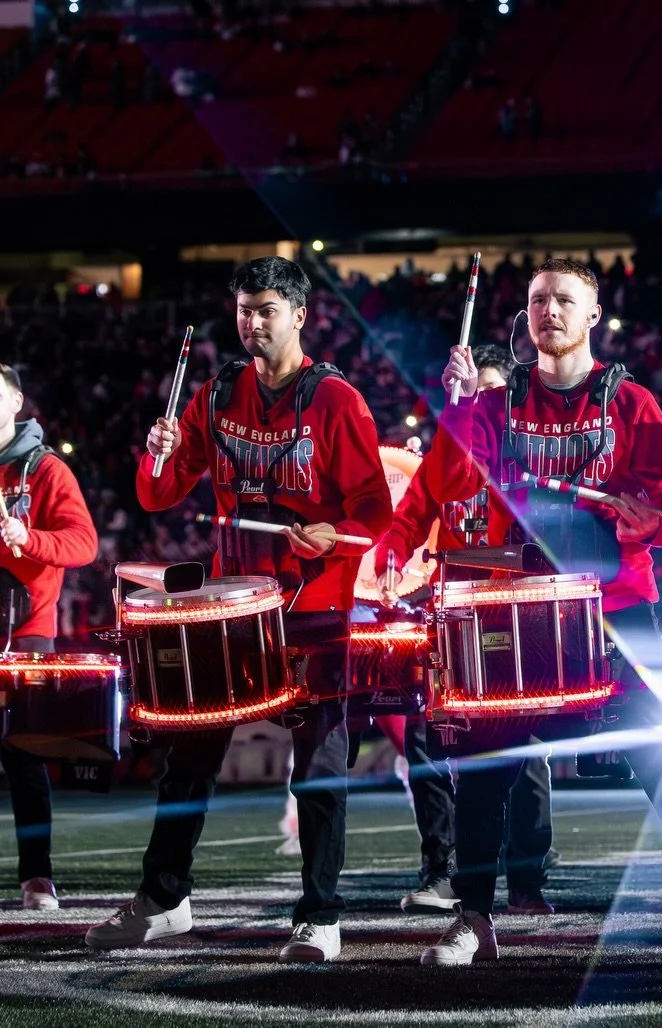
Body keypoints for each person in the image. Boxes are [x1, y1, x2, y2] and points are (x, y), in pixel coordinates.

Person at [393, 257, 662, 966]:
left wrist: (634, 519)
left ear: (593, 315)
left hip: (614, 611)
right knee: (486, 764)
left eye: (564, 300)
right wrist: (460, 412)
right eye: (537, 301)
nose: (548, 311)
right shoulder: (494, 407)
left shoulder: (631, 403)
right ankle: (473, 917)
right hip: (516, 610)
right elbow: (448, 486)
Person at [84, 257, 391, 963]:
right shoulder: (216, 393)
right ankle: (164, 900)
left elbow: (376, 510)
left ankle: (320, 915)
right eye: (245, 310)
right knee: (188, 752)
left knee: (318, 765)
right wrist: (157, 454)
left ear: (299, 315)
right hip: (233, 608)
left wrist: (332, 536)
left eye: (267, 311)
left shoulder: (337, 401)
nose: (253, 323)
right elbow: (159, 495)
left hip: (315, 606)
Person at [375, 345, 558, 915]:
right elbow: (411, 516)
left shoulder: (524, 456)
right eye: (473, 395)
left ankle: (526, 880)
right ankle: (442, 871)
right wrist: (391, 553)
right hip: (452, 613)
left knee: (523, 751)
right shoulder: (446, 455)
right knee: (432, 741)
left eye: (492, 396)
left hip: (512, 612)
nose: (482, 406)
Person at [0, 364, 99, 910]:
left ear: (15, 403)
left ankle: (36, 877)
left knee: (24, 757)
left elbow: (83, 544)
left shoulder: (45, 470)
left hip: (25, 634)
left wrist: (29, 536)